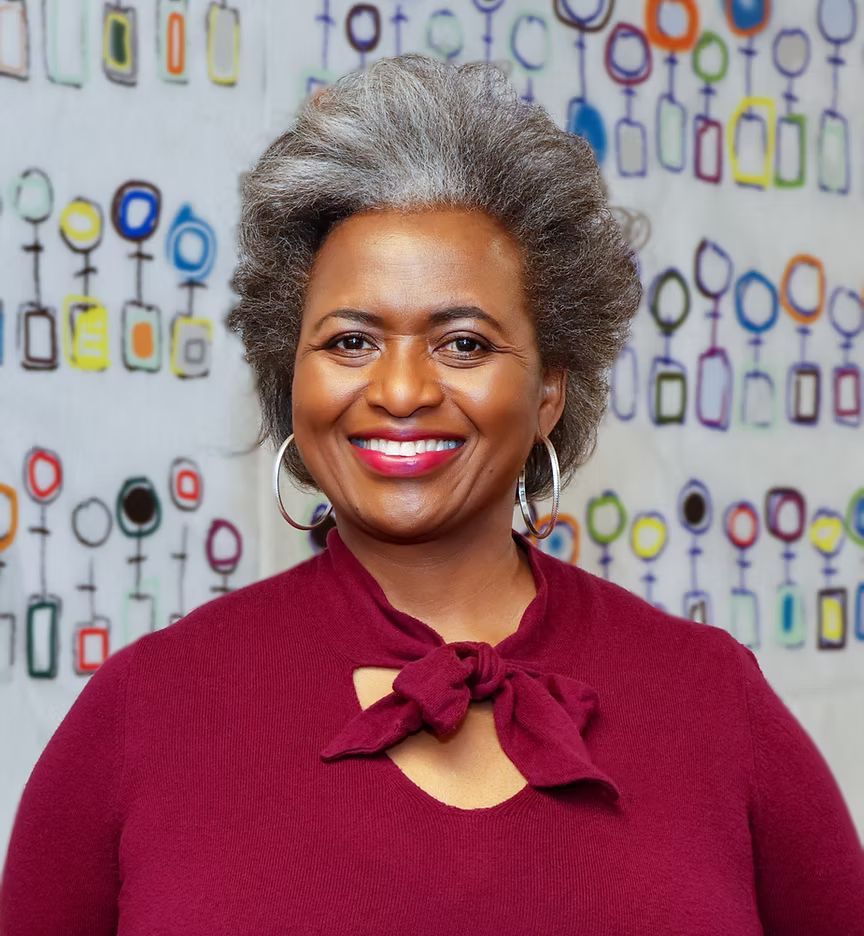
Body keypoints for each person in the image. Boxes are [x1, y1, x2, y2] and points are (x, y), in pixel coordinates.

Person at [2, 53, 863, 935]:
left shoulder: (710, 698)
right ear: (290, 376)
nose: (403, 390)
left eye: (464, 344)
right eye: (350, 342)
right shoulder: (148, 709)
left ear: (549, 391)